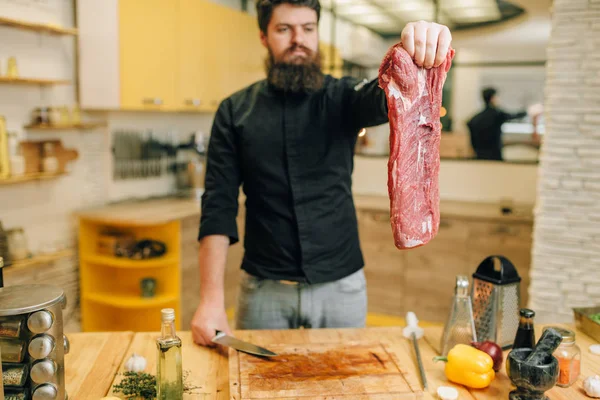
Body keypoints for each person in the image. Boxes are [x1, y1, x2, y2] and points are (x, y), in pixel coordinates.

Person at [190, 0, 453, 347]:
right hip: (265, 291)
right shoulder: (234, 111)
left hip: (341, 288)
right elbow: (218, 206)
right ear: (264, 37)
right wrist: (210, 301)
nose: (299, 39)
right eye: (284, 29)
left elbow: (379, 95)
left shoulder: (343, 96)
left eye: (308, 28)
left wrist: (411, 51)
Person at [467, 87, 527, 161]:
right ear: (493, 98)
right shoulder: (497, 114)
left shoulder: (475, 118)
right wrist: (527, 111)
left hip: (479, 156)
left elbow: (469, 127)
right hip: (494, 156)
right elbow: (514, 115)